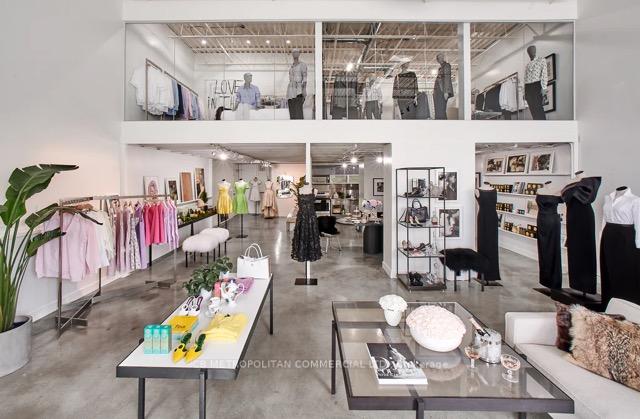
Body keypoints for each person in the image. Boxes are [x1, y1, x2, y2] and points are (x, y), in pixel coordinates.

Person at [523, 45, 548, 120]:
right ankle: (536, 124)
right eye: (529, 52)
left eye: (532, 50)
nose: (531, 53)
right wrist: (524, 92)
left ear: (535, 51)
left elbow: (544, 74)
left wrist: (544, 88)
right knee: (532, 109)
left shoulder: (541, 60)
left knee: (538, 107)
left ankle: (543, 124)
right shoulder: (527, 65)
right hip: (528, 87)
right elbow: (525, 79)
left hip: (537, 85)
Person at [434, 53, 454, 120]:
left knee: (441, 109)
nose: (440, 59)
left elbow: (447, 78)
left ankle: (442, 122)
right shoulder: (440, 68)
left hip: (442, 91)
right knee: (439, 109)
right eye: (439, 58)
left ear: (443, 58)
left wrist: (446, 92)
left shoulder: (446, 66)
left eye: (441, 57)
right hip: (439, 91)